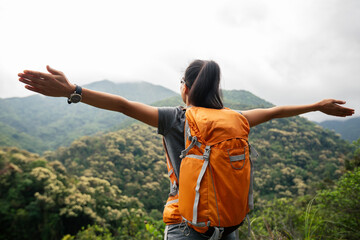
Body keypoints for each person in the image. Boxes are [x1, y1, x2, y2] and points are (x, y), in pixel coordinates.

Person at [18, 60, 354, 239]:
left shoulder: (176, 119)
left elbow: (122, 105)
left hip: (185, 224)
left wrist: (74, 90)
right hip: (227, 225)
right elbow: (278, 110)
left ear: (186, 88)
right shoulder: (237, 118)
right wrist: (316, 105)